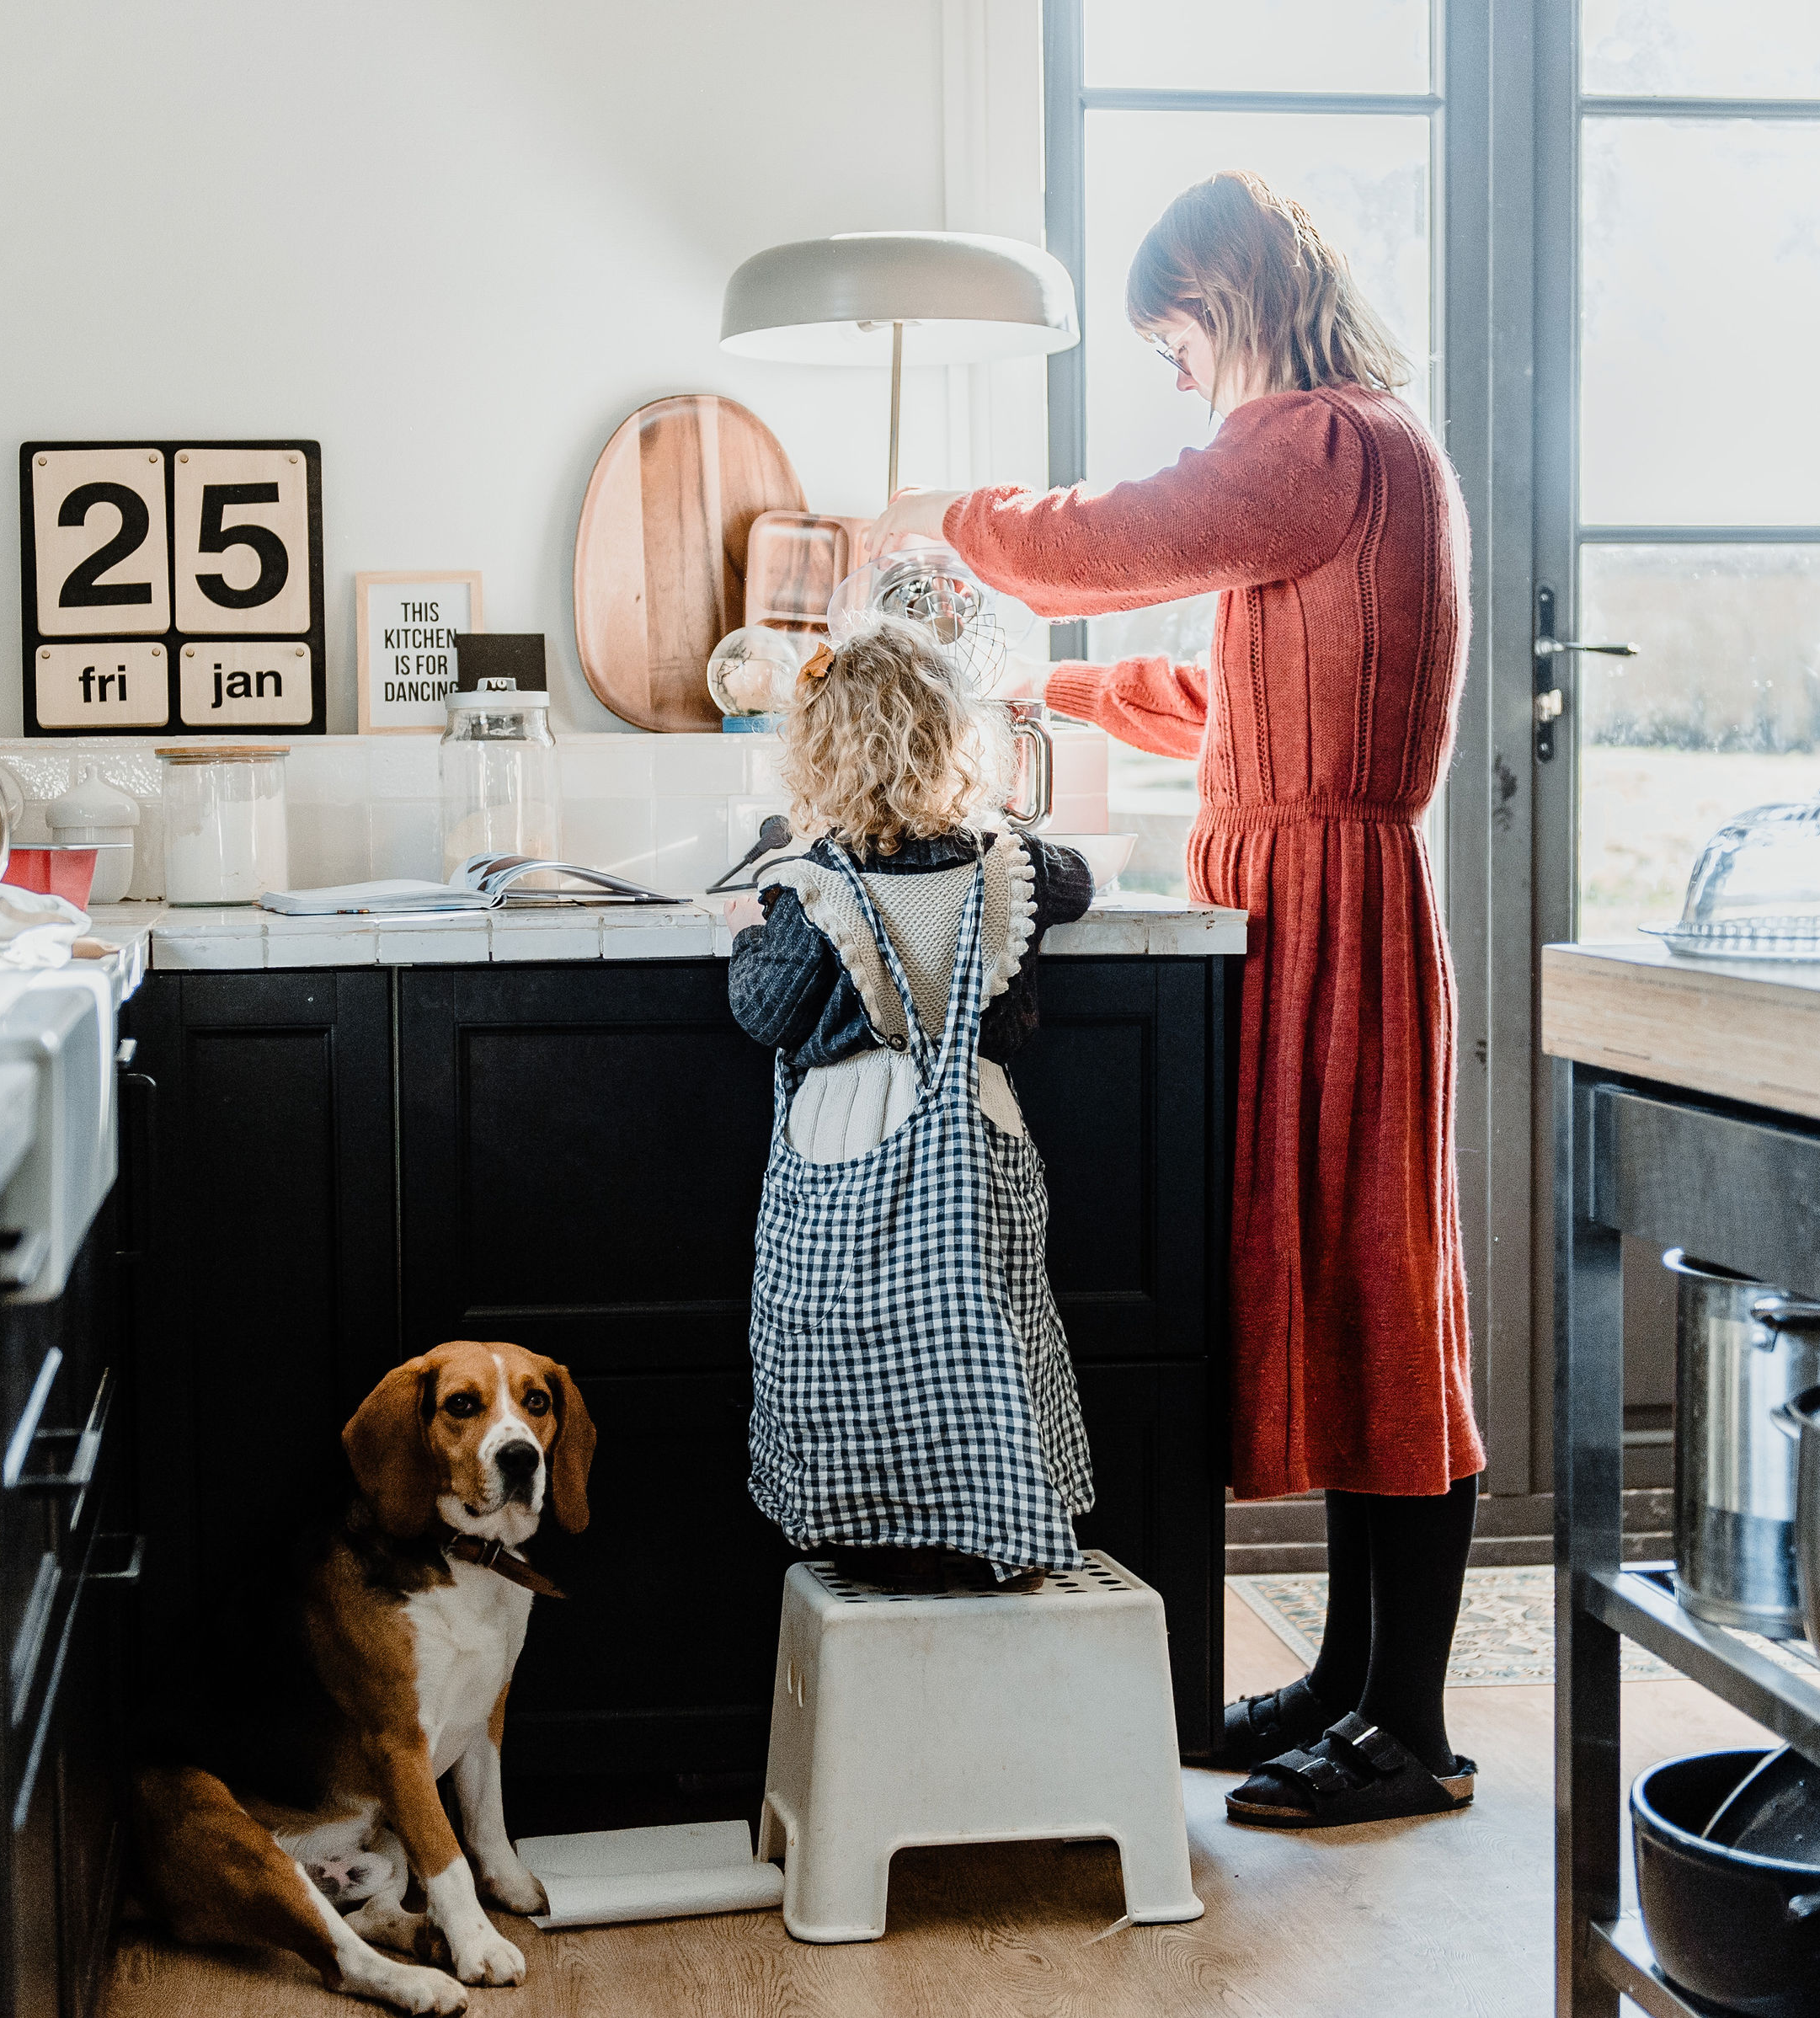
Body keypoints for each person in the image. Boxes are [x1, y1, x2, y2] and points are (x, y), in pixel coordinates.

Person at [869, 168, 1485, 1825]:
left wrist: (950, 523)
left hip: (1326, 907)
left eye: (1173, 345)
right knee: (1354, 1279)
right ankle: (1359, 1683)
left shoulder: (1318, 443)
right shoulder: (1346, 462)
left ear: (1221, 308)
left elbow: (1119, 537)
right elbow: (1228, 694)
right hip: (1297, 892)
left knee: (1376, 1281)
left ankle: (1409, 1726)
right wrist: (1042, 687)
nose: (1181, 381)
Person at [727, 616, 1100, 1594]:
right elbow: (1079, 876)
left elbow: (765, 1009)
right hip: (977, 1131)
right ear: (952, 740)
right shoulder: (1010, 867)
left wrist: (746, 924)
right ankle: (991, 1510)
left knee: (849, 1340)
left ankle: (863, 1524)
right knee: (990, 1332)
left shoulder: (812, 883)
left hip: (849, 1135)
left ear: (816, 755)